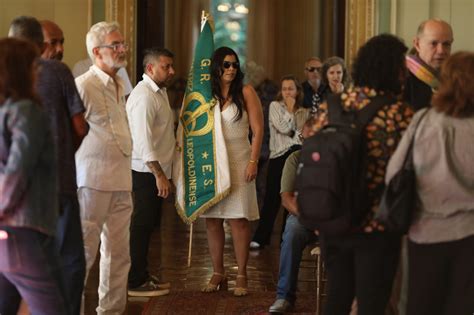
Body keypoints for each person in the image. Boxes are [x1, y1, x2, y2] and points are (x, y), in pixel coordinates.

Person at [312, 34, 414, 315]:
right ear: (391, 69)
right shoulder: (398, 112)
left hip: (335, 217)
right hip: (377, 224)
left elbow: (310, 143)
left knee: (337, 297)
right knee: (372, 303)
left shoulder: (332, 106)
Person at [9, 16, 88, 315]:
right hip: (56, 185)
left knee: (13, 266)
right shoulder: (56, 72)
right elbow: (80, 127)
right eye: (52, 43)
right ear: (40, 45)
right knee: (67, 261)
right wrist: (65, 153)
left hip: (13, 195)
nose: (57, 49)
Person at [386, 51, 474, 315]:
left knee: (422, 306)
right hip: (470, 233)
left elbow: (394, 174)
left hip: (424, 232)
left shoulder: (423, 120)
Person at [0, 37, 67, 315]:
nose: (38, 70)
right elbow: (18, 169)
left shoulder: (5, 109)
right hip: (23, 228)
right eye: (33, 64)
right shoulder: (27, 111)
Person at [75, 21, 133, 314]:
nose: (123, 49)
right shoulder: (84, 84)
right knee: (83, 253)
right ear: (97, 51)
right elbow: (69, 131)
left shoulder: (121, 82)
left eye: (122, 44)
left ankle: (110, 311)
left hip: (122, 178)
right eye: (116, 45)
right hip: (92, 180)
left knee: (119, 254)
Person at [200, 46, 263, 296]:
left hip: (240, 160)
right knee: (213, 220)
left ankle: (242, 273)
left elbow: (258, 130)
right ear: (216, 67)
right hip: (213, 163)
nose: (231, 69)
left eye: (235, 65)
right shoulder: (206, 95)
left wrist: (253, 161)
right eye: (226, 64)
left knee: (238, 219)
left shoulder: (246, 92)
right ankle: (218, 272)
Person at [126, 47, 176, 297]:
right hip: (145, 172)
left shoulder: (159, 92)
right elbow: (142, 141)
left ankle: (143, 273)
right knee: (142, 224)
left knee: (149, 225)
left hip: (157, 171)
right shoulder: (144, 96)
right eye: (166, 66)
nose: (171, 71)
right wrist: (159, 175)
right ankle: (134, 280)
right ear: (150, 68)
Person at [250, 75, 307, 250]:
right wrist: (290, 113)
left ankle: (286, 238)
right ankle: (261, 237)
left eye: (291, 88)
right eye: (284, 89)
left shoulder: (304, 112)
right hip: (279, 156)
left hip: (297, 156)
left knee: (290, 197)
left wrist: (293, 129)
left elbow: (302, 136)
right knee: (272, 199)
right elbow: (283, 128)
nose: (287, 92)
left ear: (297, 91)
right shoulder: (275, 106)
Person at [268, 117, 317, 313]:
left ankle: (350, 296)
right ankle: (284, 296)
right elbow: (287, 198)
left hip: (333, 217)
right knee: (292, 231)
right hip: (303, 215)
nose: (307, 144)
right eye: (304, 139)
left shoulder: (338, 158)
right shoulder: (296, 159)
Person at [404, 19, 454, 110]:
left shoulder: (457, 76)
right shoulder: (402, 77)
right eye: (433, 43)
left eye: (446, 44)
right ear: (417, 44)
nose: (441, 51)